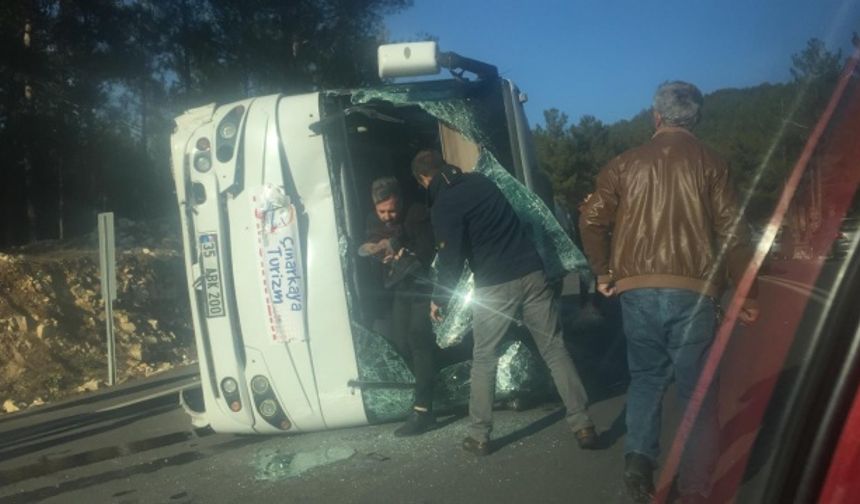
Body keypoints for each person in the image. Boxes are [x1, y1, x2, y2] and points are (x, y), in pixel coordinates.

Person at [578, 81, 760, 503]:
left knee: (645, 379)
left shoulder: (622, 164)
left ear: (655, 116)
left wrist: (604, 272)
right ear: (696, 119)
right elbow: (734, 232)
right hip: (694, 289)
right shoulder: (712, 163)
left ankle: (639, 464)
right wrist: (748, 292)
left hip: (637, 290)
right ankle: (696, 488)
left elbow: (591, 220)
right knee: (698, 390)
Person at [411, 149, 597, 456]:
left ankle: (479, 434)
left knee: (485, 357)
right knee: (554, 349)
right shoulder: (481, 182)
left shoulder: (443, 204)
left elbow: (451, 260)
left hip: (496, 284)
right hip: (532, 272)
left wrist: (438, 300)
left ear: (423, 179)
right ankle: (583, 423)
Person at [359, 176, 439, 437]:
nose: (387, 216)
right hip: (398, 288)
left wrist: (404, 252)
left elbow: (429, 251)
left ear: (401, 203)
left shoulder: (417, 214)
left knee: (419, 341)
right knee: (401, 343)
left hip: (422, 286)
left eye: (392, 210)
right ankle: (427, 394)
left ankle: (423, 410)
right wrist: (375, 252)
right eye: (382, 211)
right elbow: (368, 244)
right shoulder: (374, 220)